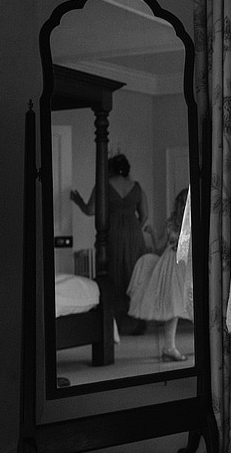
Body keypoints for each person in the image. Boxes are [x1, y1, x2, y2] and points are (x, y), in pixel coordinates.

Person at [70, 153, 149, 334]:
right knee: (134, 275)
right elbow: (145, 215)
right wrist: (133, 229)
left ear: (110, 169)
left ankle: (113, 325)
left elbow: (90, 210)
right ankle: (136, 324)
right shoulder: (136, 187)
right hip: (133, 235)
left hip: (112, 233)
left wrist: (78, 200)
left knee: (113, 274)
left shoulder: (103, 185)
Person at [127, 188, 193, 362]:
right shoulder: (172, 224)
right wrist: (153, 233)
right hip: (172, 265)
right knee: (173, 306)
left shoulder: (195, 222)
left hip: (187, 264)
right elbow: (158, 247)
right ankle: (169, 346)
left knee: (190, 305)